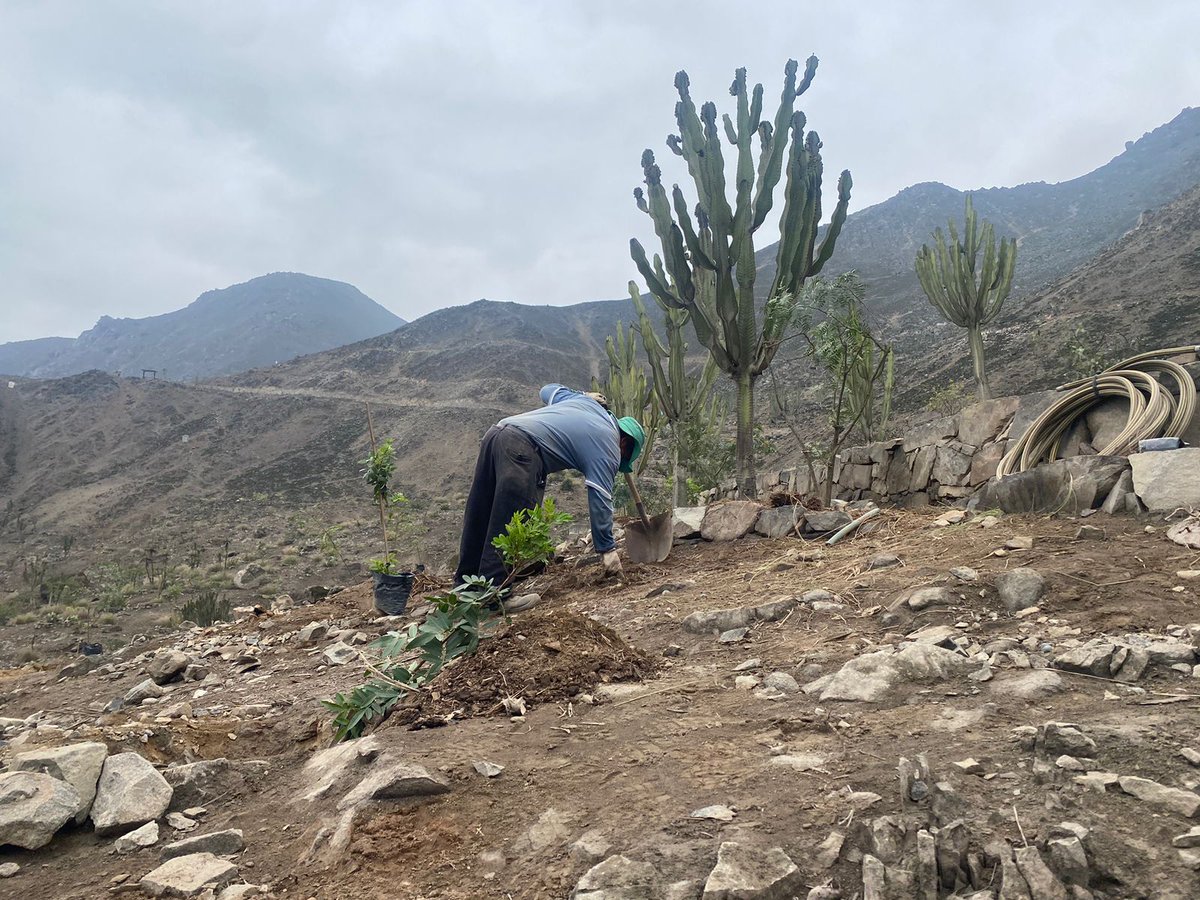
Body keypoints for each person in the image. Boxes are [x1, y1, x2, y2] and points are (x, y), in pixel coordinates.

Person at [454, 384, 644, 592]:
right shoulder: (609, 446)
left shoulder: (587, 404)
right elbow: (600, 497)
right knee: (512, 520)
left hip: (496, 434)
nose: (618, 462)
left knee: (480, 512)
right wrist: (607, 549)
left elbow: (547, 390)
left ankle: (464, 589)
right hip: (522, 450)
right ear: (624, 444)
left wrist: (581, 394)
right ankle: (493, 595)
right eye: (622, 458)